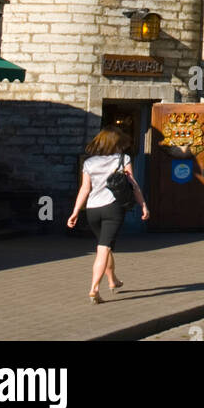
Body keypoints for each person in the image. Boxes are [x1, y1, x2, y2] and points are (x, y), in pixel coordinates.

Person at [67, 128, 149, 304]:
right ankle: (94, 289)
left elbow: (85, 189)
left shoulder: (89, 162)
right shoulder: (123, 159)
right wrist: (143, 205)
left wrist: (75, 211)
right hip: (113, 209)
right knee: (103, 249)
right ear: (116, 144)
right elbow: (133, 185)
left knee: (106, 245)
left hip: (92, 209)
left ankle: (113, 280)